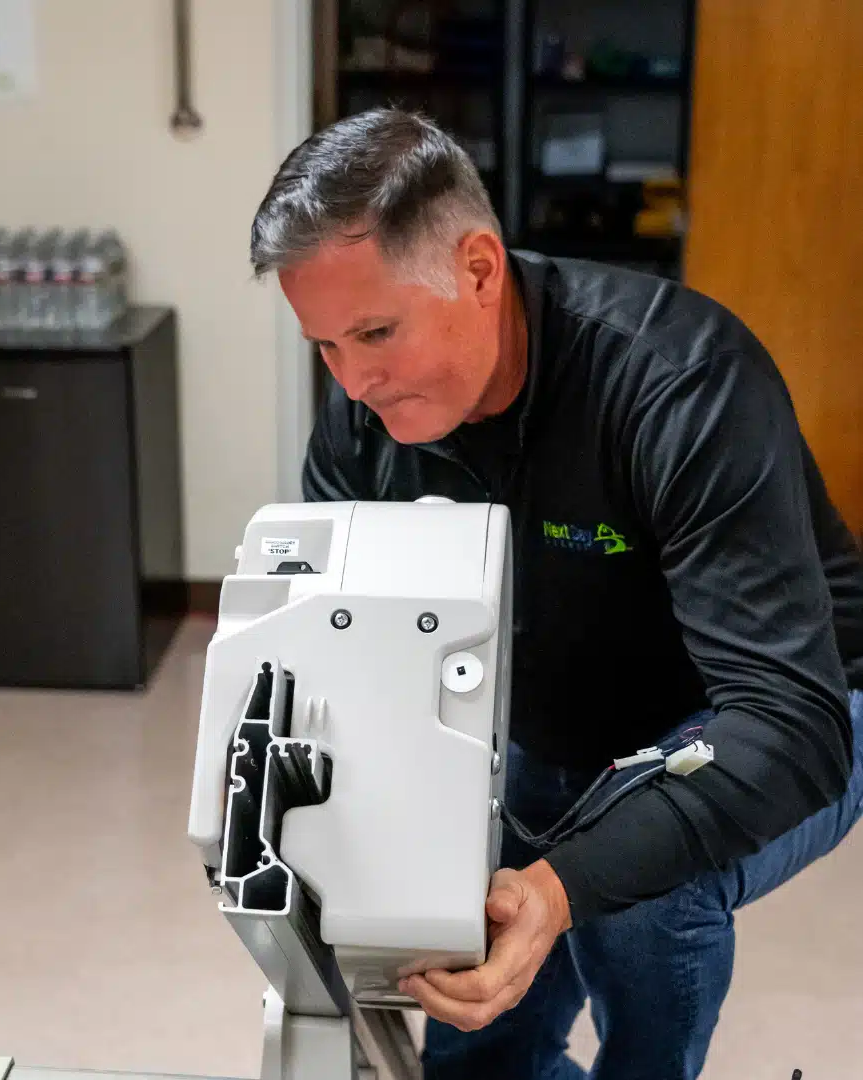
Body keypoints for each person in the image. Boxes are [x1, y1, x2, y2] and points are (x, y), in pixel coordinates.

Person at [248, 107, 863, 1080]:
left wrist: (563, 885)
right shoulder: (364, 417)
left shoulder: (680, 386)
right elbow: (339, 637)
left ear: (479, 271)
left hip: (773, 708)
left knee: (635, 884)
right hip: (553, 715)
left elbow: (791, 720)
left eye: (375, 332)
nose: (355, 381)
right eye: (325, 346)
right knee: (471, 955)